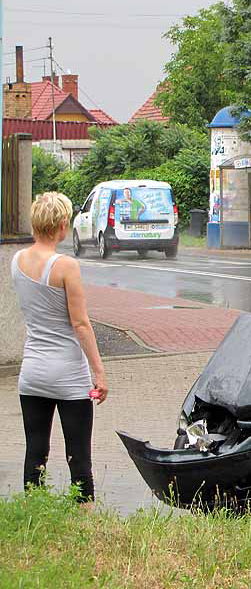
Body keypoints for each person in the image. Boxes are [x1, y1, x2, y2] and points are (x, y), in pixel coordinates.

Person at [11, 192, 108, 505]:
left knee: (35, 451)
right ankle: (84, 519)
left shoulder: (17, 260)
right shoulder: (66, 266)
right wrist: (99, 372)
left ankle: (34, 512)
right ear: (62, 225)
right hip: (68, 374)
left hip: (33, 373)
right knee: (78, 457)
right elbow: (80, 324)